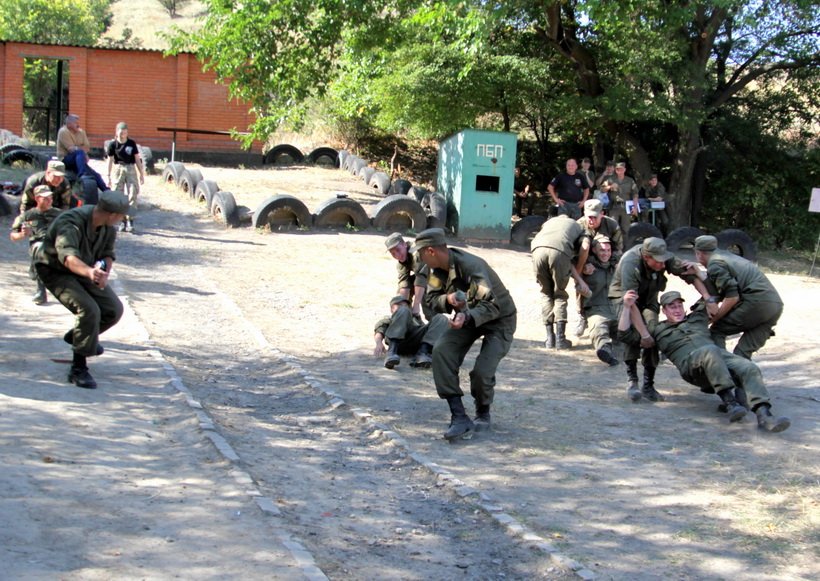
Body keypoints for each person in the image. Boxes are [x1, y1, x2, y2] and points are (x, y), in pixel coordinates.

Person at [619, 289, 790, 432]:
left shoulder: (697, 318)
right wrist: (627, 307)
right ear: (664, 311)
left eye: (679, 306)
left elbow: (712, 292)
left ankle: (764, 416)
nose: (677, 310)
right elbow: (624, 335)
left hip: (719, 359)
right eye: (672, 307)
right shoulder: (657, 330)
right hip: (692, 367)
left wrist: (695, 271)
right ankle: (730, 403)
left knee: (748, 367)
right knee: (710, 350)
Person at [413, 228, 517, 440]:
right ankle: (459, 416)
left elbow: (491, 305)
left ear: (431, 251)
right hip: (467, 317)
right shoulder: (435, 271)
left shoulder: (471, 266)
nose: (419, 258)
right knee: (442, 351)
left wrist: (466, 316)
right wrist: (448, 300)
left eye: (421, 253)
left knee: (482, 371)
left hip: (499, 319)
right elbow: (431, 300)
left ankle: (482, 413)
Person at [34, 190, 129, 389]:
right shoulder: (70, 223)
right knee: (89, 309)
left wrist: (103, 273)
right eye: (122, 215)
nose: (123, 219)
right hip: (55, 269)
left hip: (85, 269)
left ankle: (79, 337)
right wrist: (90, 272)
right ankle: (78, 369)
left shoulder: (107, 227)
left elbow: (107, 253)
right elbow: (68, 258)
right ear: (112, 214)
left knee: (113, 310)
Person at [608, 237, 711, 403]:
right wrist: (643, 335)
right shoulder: (630, 263)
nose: (663, 265)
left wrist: (707, 298)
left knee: (653, 332)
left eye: (664, 261)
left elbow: (689, 274)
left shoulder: (662, 255)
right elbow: (631, 303)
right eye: (658, 262)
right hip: (625, 299)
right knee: (634, 333)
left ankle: (648, 385)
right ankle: (632, 380)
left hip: (648, 297)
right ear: (646, 257)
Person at [692, 235, 783, 359]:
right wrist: (698, 273)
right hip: (775, 306)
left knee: (717, 331)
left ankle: (721, 365)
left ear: (699, 254)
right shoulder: (725, 256)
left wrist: (715, 319)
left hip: (756, 303)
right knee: (742, 354)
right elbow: (720, 287)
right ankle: (738, 370)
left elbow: (732, 297)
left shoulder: (714, 264)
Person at [531, 214, 590, 349]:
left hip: (537, 251)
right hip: (559, 252)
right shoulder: (577, 225)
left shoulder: (549, 223)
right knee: (560, 294)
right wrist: (580, 268)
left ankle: (549, 339)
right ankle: (560, 339)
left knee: (546, 293)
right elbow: (585, 246)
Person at [572, 199, 624, 336]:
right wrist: (584, 266)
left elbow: (618, 249)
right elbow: (572, 254)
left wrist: (612, 263)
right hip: (583, 261)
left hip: (606, 258)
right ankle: (581, 315)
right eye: (589, 216)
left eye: (595, 217)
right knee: (581, 285)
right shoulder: (578, 226)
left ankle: (609, 311)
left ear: (602, 214)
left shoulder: (612, 225)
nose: (591, 220)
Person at [10, 185, 63, 305]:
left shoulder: (60, 214)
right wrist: (23, 234)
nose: (49, 200)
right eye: (45, 198)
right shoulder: (27, 216)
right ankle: (41, 291)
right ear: (37, 199)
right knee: (40, 249)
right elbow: (13, 236)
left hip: (57, 244)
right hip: (38, 246)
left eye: (50, 197)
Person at [373, 296, 449, 369]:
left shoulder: (415, 319)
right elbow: (380, 330)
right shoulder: (389, 319)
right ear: (392, 308)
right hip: (399, 343)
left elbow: (425, 331)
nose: (403, 307)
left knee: (441, 318)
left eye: (405, 305)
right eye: (399, 305)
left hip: (415, 342)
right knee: (403, 311)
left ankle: (423, 353)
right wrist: (379, 343)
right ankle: (391, 353)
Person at [581, 235, 620, 366]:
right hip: (596, 308)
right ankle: (605, 350)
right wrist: (583, 269)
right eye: (602, 250)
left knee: (628, 331)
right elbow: (572, 268)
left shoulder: (617, 265)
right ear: (594, 250)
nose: (606, 253)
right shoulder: (587, 266)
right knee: (599, 328)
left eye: (608, 250)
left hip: (616, 309)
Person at [106, 122, 145, 233]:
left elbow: (137, 159)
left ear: (127, 132)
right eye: (121, 131)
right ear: (116, 132)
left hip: (130, 169)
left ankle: (130, 221)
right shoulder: (112, 145)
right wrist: (108, 175)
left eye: (125, 132)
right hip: (118, 169)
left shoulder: (131, 143)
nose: (123, 134)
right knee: (119, 196)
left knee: (133, 194)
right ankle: (122, 221)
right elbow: (110, 160)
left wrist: (141, 173)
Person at [384, 232, 431, 321]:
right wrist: (402, 305)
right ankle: (408, 319)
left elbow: (420, 279)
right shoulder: (402, 260)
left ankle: (436, 323)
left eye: (398, 250)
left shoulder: (416, 253)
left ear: (404, 245)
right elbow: (404, 283)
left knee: (426, 299)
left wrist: (416, 306)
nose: (397, 255)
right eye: (393, 253)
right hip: (426, 276)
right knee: (401, 297)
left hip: (440, 276)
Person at [56, 113, 108, 193]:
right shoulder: (63, 131)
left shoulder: (81, 132)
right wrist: (82, 151)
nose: (78, 125)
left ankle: (106, 191)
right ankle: (82, 175)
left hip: (78, 160)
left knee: (95, 174)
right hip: (65, 159)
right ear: (69, 124)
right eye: (76, 123)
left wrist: (82, 151)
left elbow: (87, 147)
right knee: (79, 152)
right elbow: (71, 149)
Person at [599, 162, 639, 236]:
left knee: (626, 229)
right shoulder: (611, 179)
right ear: (615, 170)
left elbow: (635, 194)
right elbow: (601, 189)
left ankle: (625, 243)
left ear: (625, 170)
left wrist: (635, 207)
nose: (619, 171)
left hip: (626, 207)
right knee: (613, 228)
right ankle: (614, 243)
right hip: (614, 207)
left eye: (621, 169)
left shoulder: (630, 180)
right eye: (617, 169)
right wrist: (610, 187)